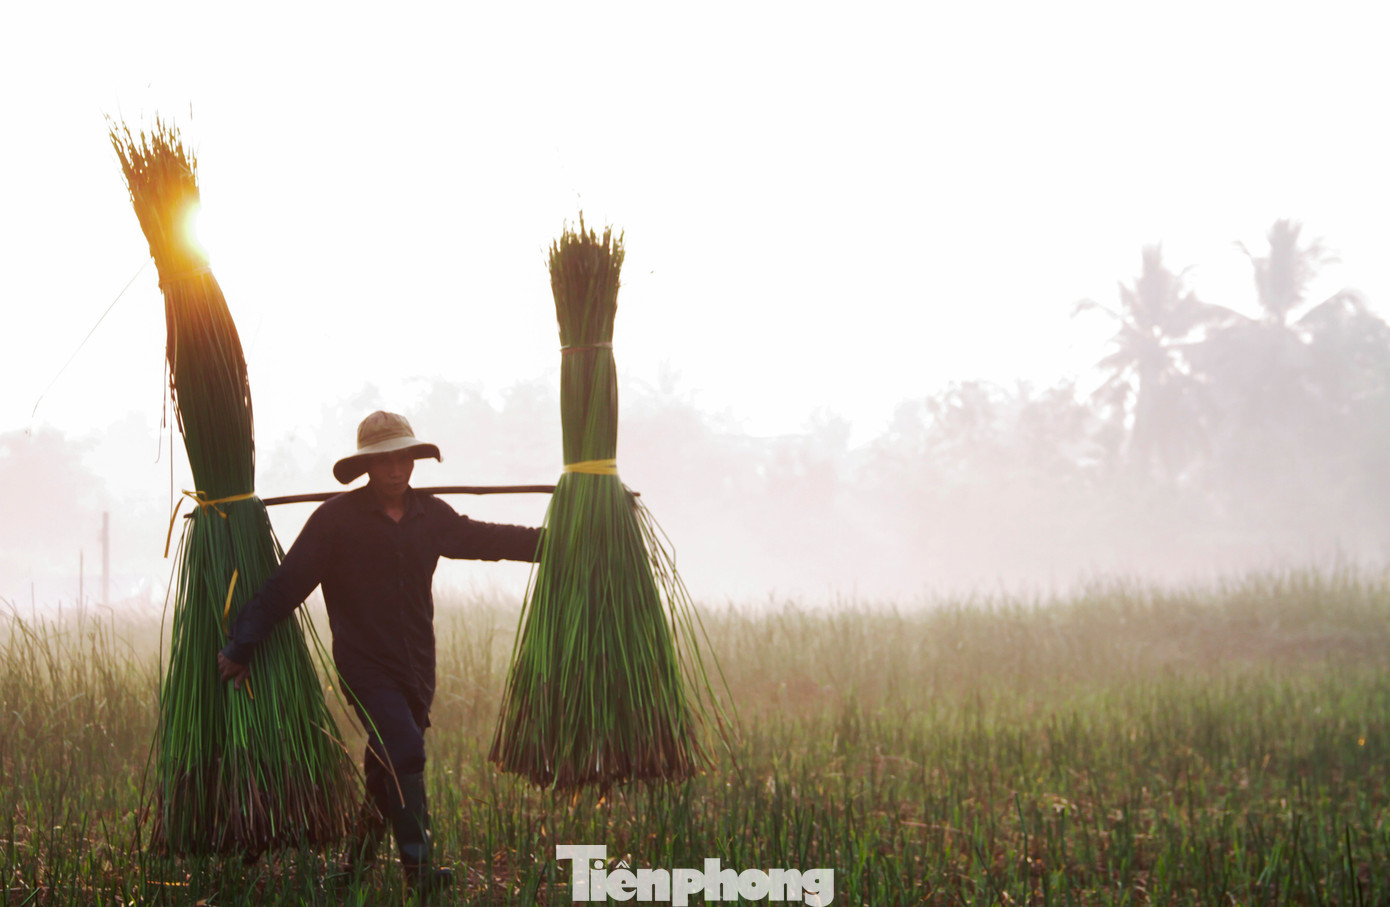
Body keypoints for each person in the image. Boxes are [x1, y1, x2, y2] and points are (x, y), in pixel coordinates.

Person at [217, 410, 543, 894]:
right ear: (366, 466)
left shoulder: (430, 515)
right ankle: (420, 873)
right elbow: (286, 586)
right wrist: (243, 644)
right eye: (385, 461)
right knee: (406, 750)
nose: (396, 470)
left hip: (417, 665)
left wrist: (562, 541)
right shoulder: (335, 520)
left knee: (384, 764)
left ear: (415, 460)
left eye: (404, 459)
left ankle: (354, 870)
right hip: (364, 665)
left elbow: (487, 539)